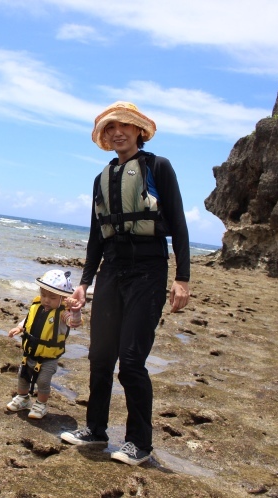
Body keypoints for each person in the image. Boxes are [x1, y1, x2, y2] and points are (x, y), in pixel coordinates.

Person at [60, 101, 190, 466]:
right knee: (100, 356)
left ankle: (139, 443)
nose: (117, 132)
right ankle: (95, 430)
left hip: (148, 268)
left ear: (138, 131)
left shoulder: (158, 167)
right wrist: (85, 283)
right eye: (110, 128)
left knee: (132, 360)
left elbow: (178, 223)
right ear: (104, 136)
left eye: (124, 126)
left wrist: (182, 278)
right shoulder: (101, 178)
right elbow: (95, 235)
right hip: (112, 269)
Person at [6, 269, 83, 420]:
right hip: (30, 353)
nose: (46, 300)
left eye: (52, 297)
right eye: (44, 295)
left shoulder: (63, 314)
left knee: (43, 381)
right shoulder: (37, 306)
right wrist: (19, 327)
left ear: (64, 298)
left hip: (49, 358)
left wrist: (75, 311)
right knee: (23, 376)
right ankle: (23, 398)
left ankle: (41, 404)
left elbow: (74, 323)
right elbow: (28, 320)